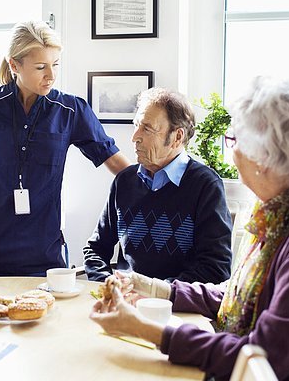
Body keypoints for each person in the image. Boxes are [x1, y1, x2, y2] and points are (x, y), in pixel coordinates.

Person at [90, 77, 289, 380]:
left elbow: (264, 356)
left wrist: (148, 330)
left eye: (234, 140)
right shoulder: (288, 208)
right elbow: (238, 296)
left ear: (267, 156)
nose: (232, 152)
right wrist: (151, 287)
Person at [0, 20, 130, 277]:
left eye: (55, 64)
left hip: (44, 249)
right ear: (14, 65)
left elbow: (113, 161)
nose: (51, 75)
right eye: (40, 67)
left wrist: (155, 187)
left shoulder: (71, 111)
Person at [83, 88, 232, 283]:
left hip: (173, 306)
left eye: (147, 128)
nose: (134, 136)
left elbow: (215, 268)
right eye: (136, 125)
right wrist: (107, 283)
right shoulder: (125, 181)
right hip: (125, 300)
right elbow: (95, 249)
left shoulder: (206, 185)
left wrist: (155, 291)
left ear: (177, 137)